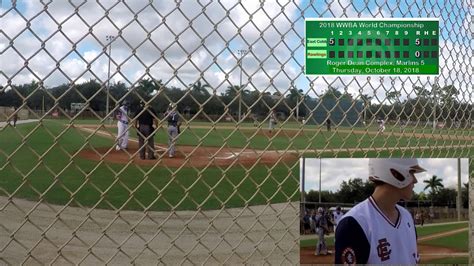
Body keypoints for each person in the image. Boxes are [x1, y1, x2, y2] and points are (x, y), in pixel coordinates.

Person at [335, 158, 426, 264]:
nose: (415, 180)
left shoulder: (407, 216)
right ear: (395, 174)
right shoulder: (354, 223)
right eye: (411, 173)